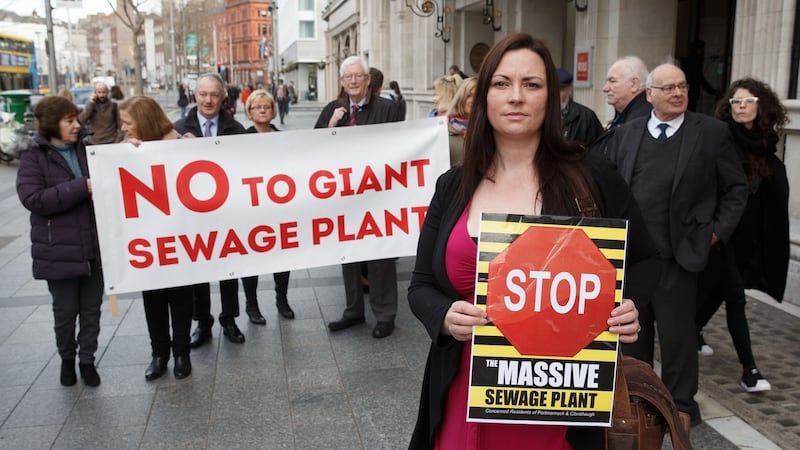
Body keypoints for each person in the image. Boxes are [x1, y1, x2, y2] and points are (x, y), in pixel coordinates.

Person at [408, 33, 652, 449]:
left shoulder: (591, 176)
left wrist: (630, 307)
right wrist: (445, 316)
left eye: (532, 84)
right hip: (464, 390)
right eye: (502, 84)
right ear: (483, 96)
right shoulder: (453, 186)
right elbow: (420, 286)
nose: (516, 97)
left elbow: (646, 260)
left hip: (564, 399)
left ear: (552, 97)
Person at [600, 63, 748, 425]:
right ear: (649, 94)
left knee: (678, 336)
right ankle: (638, 398)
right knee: (633, 335)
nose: (678, 93)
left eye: (682, 86)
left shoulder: (710, 133)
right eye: (668, 88)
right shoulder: (628, 133)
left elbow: (736, 188)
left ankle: (682, 406)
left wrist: (714, 233)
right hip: (635, 256)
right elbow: (613, 187)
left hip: (680, 255)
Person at [695, 77, 789, 393]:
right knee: (735, 296)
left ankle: (693, 329)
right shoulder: (720, 140)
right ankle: (749, 370)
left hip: (746, 240)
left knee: (720, 292)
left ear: (762, 107)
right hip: (720, 237)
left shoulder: (766, 145)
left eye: (748, 101)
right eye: (736, 101)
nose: (741, 106)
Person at [16, 96, 103, 388]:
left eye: (76, 120)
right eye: (69, 121)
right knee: (65, 313)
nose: (77, 126)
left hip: (93, 246)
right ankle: (67, 358)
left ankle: (88, 361)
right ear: (53, 124)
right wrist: (81, 187)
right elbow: (33, 199)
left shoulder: (87, 149)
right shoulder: (33, 157)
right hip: (59, 251)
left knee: (91, 310)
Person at [314, 55, 403, 338]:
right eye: (347, 77)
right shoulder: (333, 108)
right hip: (344, 198)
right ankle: (353, 310)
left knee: (380, 256)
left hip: (379, 196)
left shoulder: (388, 108)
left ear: (368, 80)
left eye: (358, 76)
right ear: (342, 82)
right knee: (348, 254)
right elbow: (311, 149)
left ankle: (385, 314)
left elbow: (402, 146)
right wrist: (331, 126)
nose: (352, 81)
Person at [119, 96, 195, 381]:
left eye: (128, 123)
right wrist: (122, 156)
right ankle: (159, 353)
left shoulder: (181, 142)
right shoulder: (130, 147)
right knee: (153, 297)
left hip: (180, 235)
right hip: (148, 238)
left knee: (180, 296)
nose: (124, 128)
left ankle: (181, 353)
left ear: (145, 121)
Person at [174, 72, 248, 346]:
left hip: (226, 214)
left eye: (214, 94)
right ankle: (202, 322)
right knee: (199, 273)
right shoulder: (178, 129)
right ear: (195, 96)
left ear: (223, 98)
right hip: (193, 216)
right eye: (203, 94)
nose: (208, 100)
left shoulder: (236, 129)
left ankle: (229, 319)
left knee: (229, 271)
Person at [237, 89, 296, 323]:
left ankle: (282, 299)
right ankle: (252, 304)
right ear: (249, 112)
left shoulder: (283, 139)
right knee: (250, 259)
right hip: (250, 210)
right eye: (256, 107)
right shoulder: (239, 140)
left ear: (273, 110)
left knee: (283, 258)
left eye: (267, 106)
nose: (262, 110)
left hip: (278, 209)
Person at [591, 57, 651, 155]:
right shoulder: (626, 117)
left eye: (612, 81)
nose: (605, 88)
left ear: (634, 84)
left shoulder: (642, 123)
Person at [557, 67, 603, 146]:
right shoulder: (538, 113)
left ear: (569, 89)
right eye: (551, 89)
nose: (555, 94)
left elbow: (597, 150)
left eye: (560, 89)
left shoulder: (586, 117)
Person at [444, 76, 476, 166]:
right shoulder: (444, 131)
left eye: (478, 95)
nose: (474, 100)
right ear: (461, 98)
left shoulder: (491, 130)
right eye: (469, 95)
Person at [681, 40, 718, 112]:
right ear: (698, 50)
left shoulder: (686, 60)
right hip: (691, 91)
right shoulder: (695, 61)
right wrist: (713, 91)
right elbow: (699, 78)